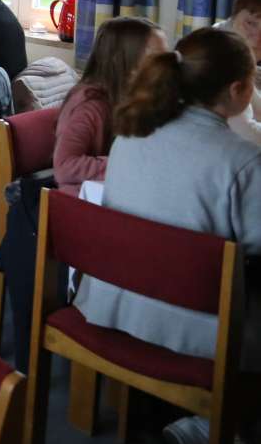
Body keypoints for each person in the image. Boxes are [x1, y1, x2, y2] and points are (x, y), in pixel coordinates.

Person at [73, 27, 261, 375]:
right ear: (238, 91)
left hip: (118, 302)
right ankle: (225, 423)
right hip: (196, 329)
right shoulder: (243, 160)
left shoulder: (130, 137)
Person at [52, 16, 166, 192]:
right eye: (156, 58)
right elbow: (64, 167)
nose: (165, 67)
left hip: (117, 189)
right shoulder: (90, 106)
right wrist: (125, 164)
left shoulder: (133, 95)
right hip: (82, 200)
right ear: (124, 59)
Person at [214, 0, 261, 144]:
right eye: (250, 23)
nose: (258, 36)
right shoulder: (219, 52)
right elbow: (248, 131)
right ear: (234, 17)